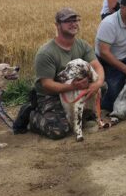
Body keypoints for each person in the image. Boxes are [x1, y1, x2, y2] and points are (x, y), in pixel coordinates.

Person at [31, 8, 105, 139]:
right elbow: (47, 84)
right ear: (57, 25)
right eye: (67, 21)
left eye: (75, 20)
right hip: (51, 95)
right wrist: (73, 87)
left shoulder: (82, 45)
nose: (73, 24)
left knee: (103, 86)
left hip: (75, 90)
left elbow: (97, 66)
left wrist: (97, 84)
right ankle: (32, 116)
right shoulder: (46, 53)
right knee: (59, 130)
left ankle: (83, 114)